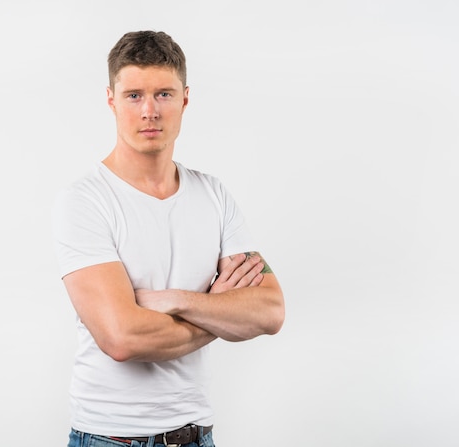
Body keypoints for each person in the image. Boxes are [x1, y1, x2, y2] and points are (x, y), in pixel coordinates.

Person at [52, 30, 285, 447]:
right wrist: (219, 313)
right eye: (134, 95)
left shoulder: (212, 194)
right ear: (111, 100)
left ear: (185, 99)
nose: (149, 111)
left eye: (163, 94)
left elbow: (269, 311)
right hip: (111, 437)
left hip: (198, 435)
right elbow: (122, 338)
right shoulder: (84, 201)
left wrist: (179, 300)